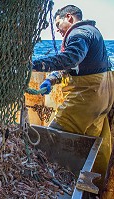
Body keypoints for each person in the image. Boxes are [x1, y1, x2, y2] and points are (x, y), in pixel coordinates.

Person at [32, 5, 114, 192]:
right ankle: (95, 189)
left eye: (58, 23)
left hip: (87, 99)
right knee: (94, 144)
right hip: (103, 99)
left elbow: (70, 58)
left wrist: (33, 64)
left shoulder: (79, 33)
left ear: (68, 17)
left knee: (52, 137)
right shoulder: (92, 33)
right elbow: (75, 66)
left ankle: (47, 185)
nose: (59, 30)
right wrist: (51, 80)